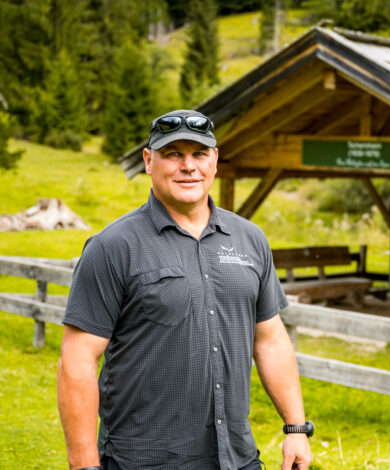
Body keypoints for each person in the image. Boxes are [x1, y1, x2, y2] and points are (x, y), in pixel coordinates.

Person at [57, 110, 313, 470]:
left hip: (236, 459)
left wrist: (296, 427)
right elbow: (78, 360)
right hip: (143, 462)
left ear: (215, 160)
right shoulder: (113, 246)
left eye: (199, 154)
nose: (188, 166)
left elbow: (269, 338)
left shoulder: (250, 240)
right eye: (173, 153)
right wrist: (84, 465)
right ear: (149, 161)